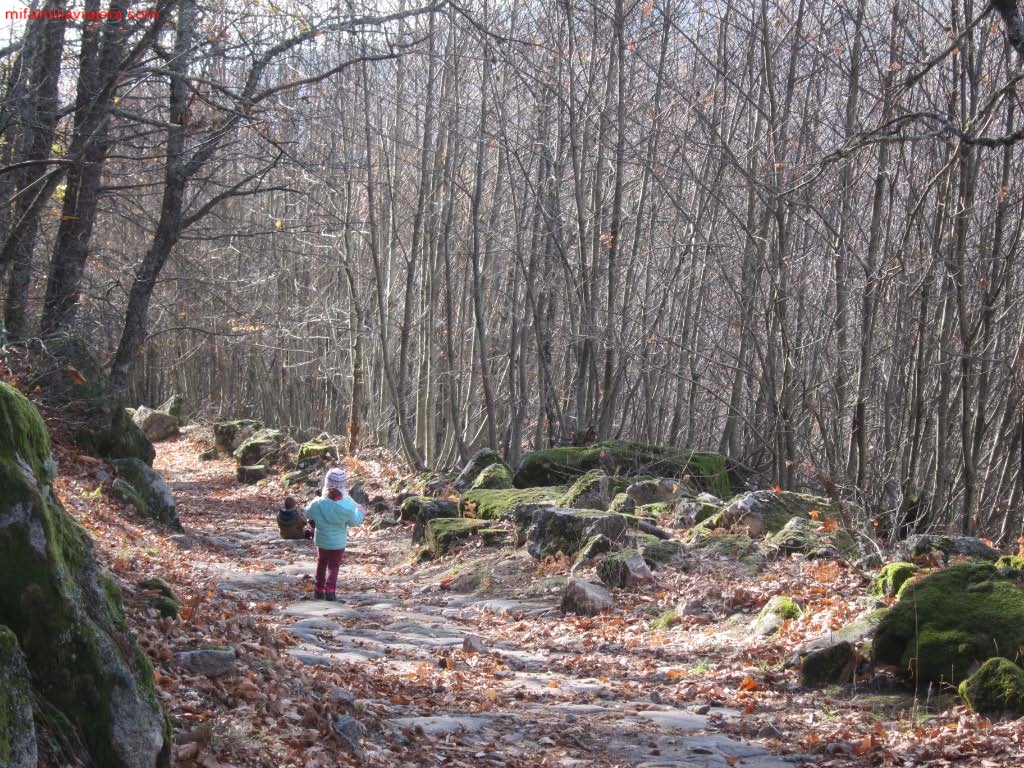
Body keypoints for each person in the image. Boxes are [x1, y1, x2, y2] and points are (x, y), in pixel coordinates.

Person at [304, 468, 365, 601]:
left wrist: (314, 500)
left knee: (321, 564)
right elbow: (354, 522)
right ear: (343, 485)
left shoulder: (318, 503)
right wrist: (360, 512)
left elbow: (307, 513)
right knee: (334, 566)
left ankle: (319, 590)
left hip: (322, 540)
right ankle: (330, 591)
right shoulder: (348, 506)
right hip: (338, 543)